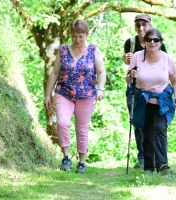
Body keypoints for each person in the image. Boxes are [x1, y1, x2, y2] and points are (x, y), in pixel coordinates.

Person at [44, 19, 106, 173]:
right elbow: (55, 73)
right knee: (63, 123)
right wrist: (47, 95)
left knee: (82, 128)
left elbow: (101, 72)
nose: (77, 40)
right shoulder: (64, 50)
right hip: (64, 93)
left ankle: (82, 162)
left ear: (86, 34)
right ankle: (66, 157)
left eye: (81, 36)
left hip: (86, 95)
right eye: (74, 36)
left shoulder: (93, 50)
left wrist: (100, 89)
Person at [126, 28, 176, 175]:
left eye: (156, 40)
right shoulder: (137, 57)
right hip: (143, 99)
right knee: (147, 133)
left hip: (162, 99)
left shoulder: (166, 58)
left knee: (160, 128)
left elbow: (175, 81)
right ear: (144, 42)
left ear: (160, 43)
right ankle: (149, 167)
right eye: (149, 39)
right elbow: (129, 80)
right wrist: (131, 74)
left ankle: (163, 165)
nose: (152, 42)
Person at [122, 13, 167, 169]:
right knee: (138, 123)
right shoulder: (131, 42)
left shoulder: (157, 41)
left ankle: (156, 160)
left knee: (157, 125)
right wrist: (126, 60)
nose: (141, 28)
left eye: (144, 24)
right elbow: (128, 66)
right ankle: (142, 158)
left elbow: (164, 63)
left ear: (149, 25)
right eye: (138, 25)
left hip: (156, 90)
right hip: (135, 88)